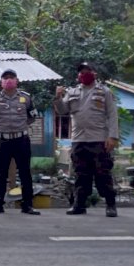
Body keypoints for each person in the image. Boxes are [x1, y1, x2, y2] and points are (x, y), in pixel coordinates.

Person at [54, 62, 119, 217]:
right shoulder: (72, 92)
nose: (84, 73)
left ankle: (110, 204)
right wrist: (58, 96)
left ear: (94, 73)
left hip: (99, 140)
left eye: (87, 71)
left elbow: (112, 115)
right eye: (81, 71)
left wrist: (112, 136)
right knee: (80, 174)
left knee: (103, 173)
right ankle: (79, 205)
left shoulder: (104, 92)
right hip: (79, 140)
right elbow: (63, 110)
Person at [0, 68, 40, 215]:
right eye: (6, 78)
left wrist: (20, 126)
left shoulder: (26, 97)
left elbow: (32, 117)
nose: (9, 80)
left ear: (17, 80)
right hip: (2, 140)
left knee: (25, 173)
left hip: (21, 139)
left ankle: (27, 205)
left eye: (12, 77)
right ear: (1, 82)